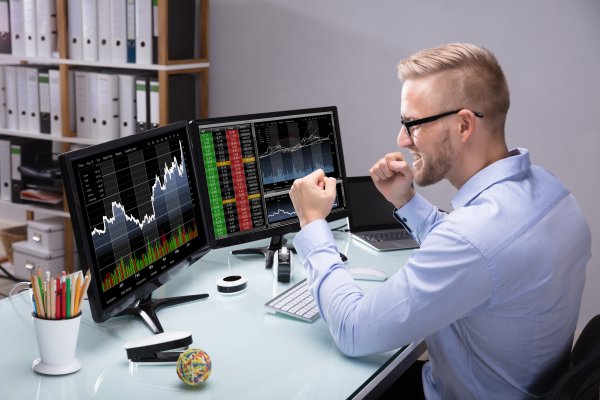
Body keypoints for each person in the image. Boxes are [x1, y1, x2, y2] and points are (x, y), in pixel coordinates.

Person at [288, 43, 591, 399]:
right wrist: (407, 201)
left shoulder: (472, 239)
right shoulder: (550, 190)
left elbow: (353, 331)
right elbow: (486, 257)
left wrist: (312, 224)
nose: (402, 139)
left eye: (412, 124)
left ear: (464, 125)